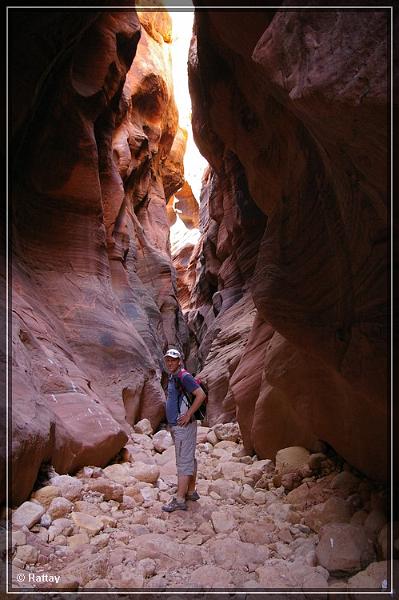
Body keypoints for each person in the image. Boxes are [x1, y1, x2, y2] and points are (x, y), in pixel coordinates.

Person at [162, 348, 206, 512]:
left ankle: (180, 500)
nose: (170, 362)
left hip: (184, 426)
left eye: (173, 359)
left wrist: (188, 414)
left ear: (179, 360)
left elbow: (201, 395)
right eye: (168, 360)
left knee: (183, 461)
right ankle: (190, 491)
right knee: (188, 457)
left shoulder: (184, 376)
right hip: (178, 426)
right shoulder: (174, 377)